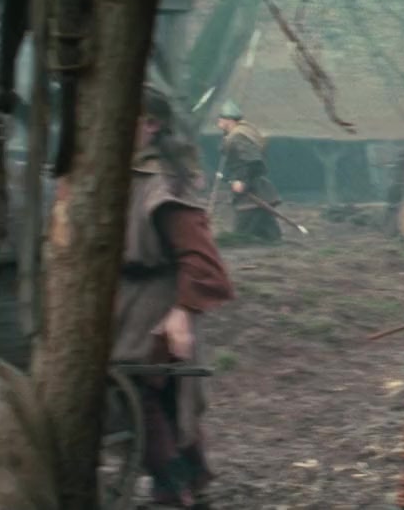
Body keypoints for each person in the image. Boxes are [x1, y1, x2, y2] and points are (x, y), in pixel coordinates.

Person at [114, 85, 234, 508]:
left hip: (158, 304)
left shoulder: (163, 183)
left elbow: (201, 259)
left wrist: (182, 311)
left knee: (138, 392)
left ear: (151, 125)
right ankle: (194, 479)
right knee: (161, 394)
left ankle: (172, 487)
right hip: (128, 303)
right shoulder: (124, 174)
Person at [215, 100, 282, 242]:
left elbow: (252, 160)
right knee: (268, 230)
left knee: (241, 233)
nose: (219, 120)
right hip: (254, 188)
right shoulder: (236, 134)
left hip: (251, 188)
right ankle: (273, 241)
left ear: (230, 120)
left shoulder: (238, 136)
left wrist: (241, 180)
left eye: (222, 118)